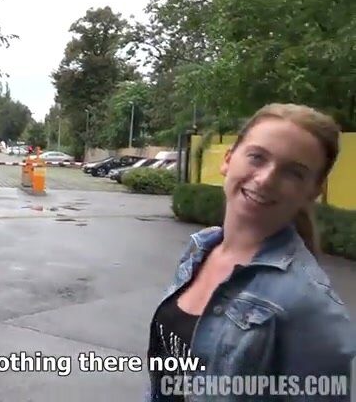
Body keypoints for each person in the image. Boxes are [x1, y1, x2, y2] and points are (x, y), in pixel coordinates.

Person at [145, 103, 356, 401]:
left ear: (313, 190)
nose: (266, 178)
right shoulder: (199, 250)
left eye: (293, 173)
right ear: (229, 159)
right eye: (257, 157)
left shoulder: (311, 306)